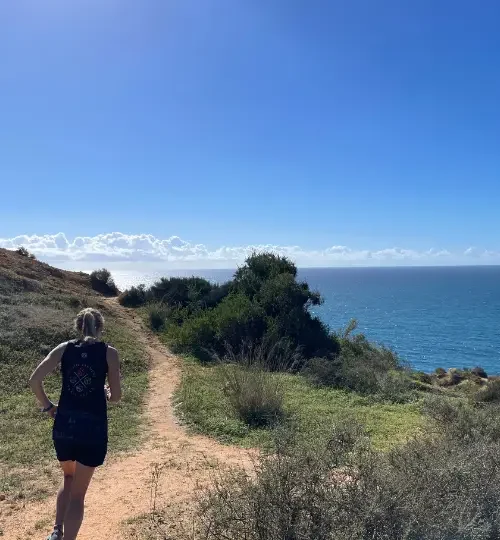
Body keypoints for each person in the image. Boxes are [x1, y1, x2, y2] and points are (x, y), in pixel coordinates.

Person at [29, 308, 122, 540]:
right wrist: (107, 393)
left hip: (64, 427)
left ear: (78, 327)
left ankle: (56, 532)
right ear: (100, 327)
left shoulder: (64, 349)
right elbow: (117, 397)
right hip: (92, 430)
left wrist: (49, 407)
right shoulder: (109, 353)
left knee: (68, 478)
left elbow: (34, 380)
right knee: (78, 496)